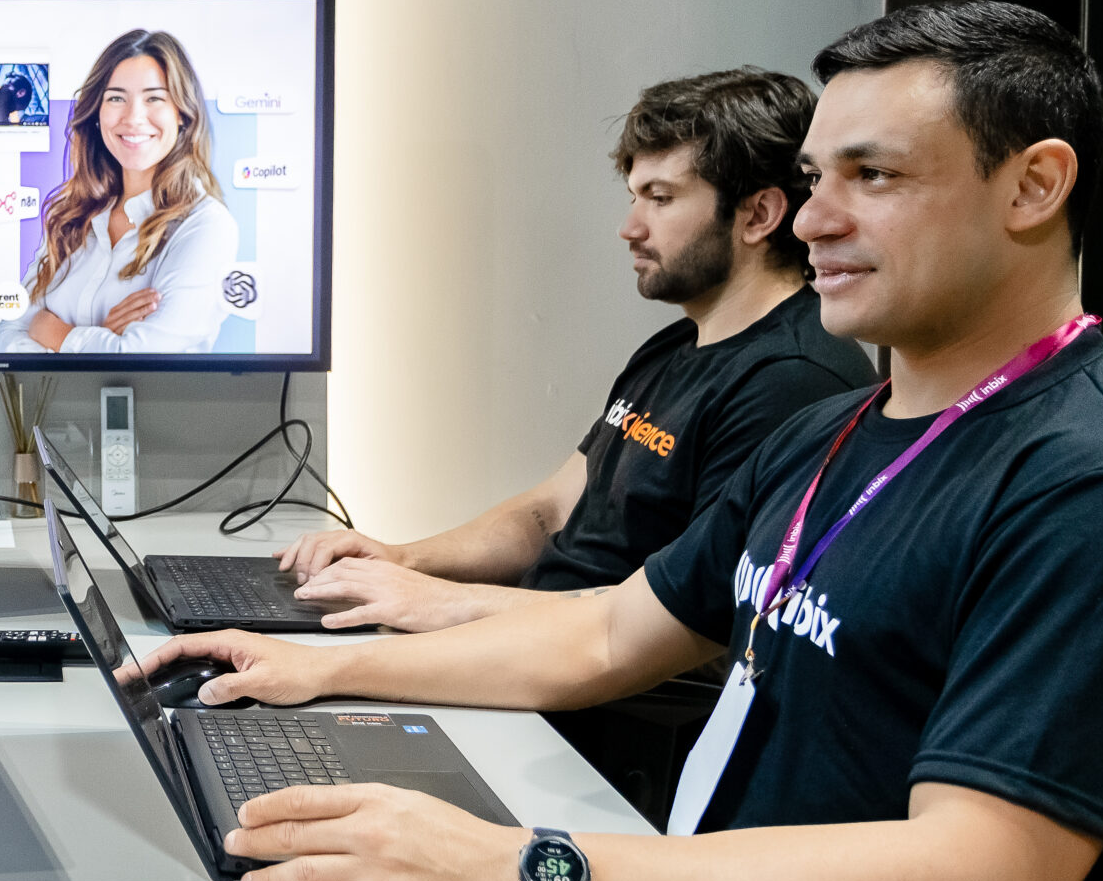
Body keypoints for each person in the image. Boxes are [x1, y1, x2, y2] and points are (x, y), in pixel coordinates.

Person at [139, 3, 1103, 881]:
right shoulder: (838, 429)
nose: (813, 219)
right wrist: (318, 670)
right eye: (816, 175)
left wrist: (524, 868)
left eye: (872, 176)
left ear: (1033, 187)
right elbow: (606, 638)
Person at [275, 69, 875, 818]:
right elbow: (551, 508)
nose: (630, 226)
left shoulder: (795, 383)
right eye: (634, 197)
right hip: (527, 669)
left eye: (660, 198)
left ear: (757, 214)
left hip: (605, 730)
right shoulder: (677, 346)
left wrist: (447, 605)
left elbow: (678, 628)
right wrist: (401, 560)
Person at [0, 29, 239, 354]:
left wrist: (52, 331)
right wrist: (100, 337)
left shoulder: (206, 226)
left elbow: (149, 359)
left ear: (181, 113)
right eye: (116, 98)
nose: (134, 117)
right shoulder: (74, 214)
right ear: (97, 113)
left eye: (155, 98)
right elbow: (9, 333)